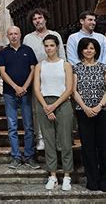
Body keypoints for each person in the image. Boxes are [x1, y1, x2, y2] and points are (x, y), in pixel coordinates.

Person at [33, 34, 74, 191]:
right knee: (48, 141)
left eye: (51, 45)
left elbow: (69, 88)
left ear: (57, 46)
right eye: (46, 46)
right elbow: (36, 88)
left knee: (65, 141)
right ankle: (52, 175)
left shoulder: (65, 65)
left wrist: (54, 106)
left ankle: (67, 175)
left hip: (62, 103)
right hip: (44, 103)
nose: (49, 48)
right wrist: (46, 106)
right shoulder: (39, 66)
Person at [72, 37, 106, 191]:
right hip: (84, 112)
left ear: (96, 51)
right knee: (88, 147)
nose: (89, 51)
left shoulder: (104, 67)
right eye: (86, 48)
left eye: (92, 48)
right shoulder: (76, 68)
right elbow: (73, 90)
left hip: (104, 111)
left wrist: (99, 106)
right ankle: (92, 181)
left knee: (104, 146)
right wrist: (85, 107)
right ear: (81, 50)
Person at [23, 8, 65, 151]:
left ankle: (59, 138)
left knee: (58, 106)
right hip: (37, 76)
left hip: (56, 76)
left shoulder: (55, 35)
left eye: (40, 18)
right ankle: (40, 138)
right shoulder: (28, 38)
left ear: (45, 19)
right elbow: (27, 60)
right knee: (38, 108)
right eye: (34, 19)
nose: (38, 21)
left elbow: (63, 57)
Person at [0, 26, 40, 169]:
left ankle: (29, 156)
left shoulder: (27, 51)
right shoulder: (3, 52)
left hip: (26, 93)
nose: (14, 36)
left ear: (20, 35)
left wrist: (24, 87)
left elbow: (33, 70)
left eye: (16, 33)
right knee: (12, 126)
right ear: (7, 36)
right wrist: (16, 87)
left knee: (29, 126)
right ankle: (15, 156)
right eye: (11, 34)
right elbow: (2, 72)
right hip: (10, 93)